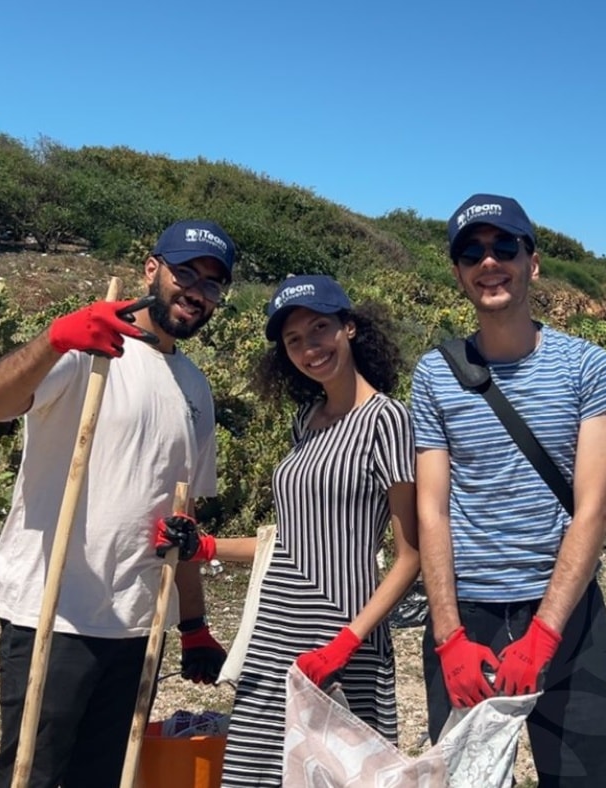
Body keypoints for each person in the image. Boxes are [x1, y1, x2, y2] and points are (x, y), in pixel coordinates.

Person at [0, 219, 236, 788]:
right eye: (185, 272)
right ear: (152, 269)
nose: (197, 290)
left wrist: (192, 624)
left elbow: (181, 519)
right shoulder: (89, 347)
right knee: (31, 776)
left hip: (139, 626)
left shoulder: (195, 387)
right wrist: (56, 338)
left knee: (105, 777)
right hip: (54, 611)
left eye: (213, 284)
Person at [411, 194, 606, 786]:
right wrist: (447, 636)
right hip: (469, 620)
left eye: (503, 246)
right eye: (471, 252)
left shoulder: (590, 369)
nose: (489, 262)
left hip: (564, 619)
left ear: (532, 262)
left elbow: (591, 511)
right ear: (458, 271)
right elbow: (431, 511)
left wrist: (545, 632)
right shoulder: (436, 373)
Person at [163, 274, 419, 787]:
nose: (309, 348)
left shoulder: (389, 419)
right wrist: (204, 545)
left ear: (350, 328)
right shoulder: (307, 420)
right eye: (294, 340)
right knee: (258, 769)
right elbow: (294, 538)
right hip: (275, 624)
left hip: (341, 622)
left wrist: (348, 641)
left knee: (339, 772)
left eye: (319, 328)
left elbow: (411, 556)